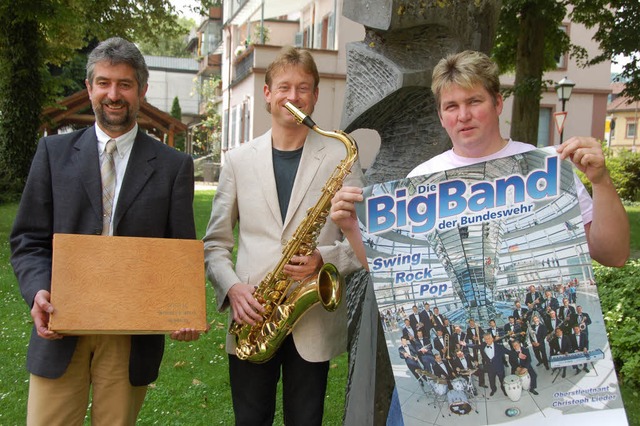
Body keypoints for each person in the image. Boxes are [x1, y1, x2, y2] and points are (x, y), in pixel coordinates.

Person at [9, 37, 201, 425]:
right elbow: (27, 239)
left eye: (124, 84)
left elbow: (178, 252)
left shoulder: (172, 166)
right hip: (63, 322)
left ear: (142, 90)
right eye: (103, 83)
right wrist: (38, 291)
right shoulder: (52, 154)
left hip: (130, 334)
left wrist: (182, 307)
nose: (113, 95)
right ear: (89, 87)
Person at [330, 50, 629, 271]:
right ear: (441, 117)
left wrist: (601, 182)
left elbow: (613, 255)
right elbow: (394, 269)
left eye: (474, 101)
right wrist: (350, 227)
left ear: (497, 103)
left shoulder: (545, 168)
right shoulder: (419, 179)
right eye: (451, 106)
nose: (463, 116)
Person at [202, 46, 364, 426]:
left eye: (303, 88)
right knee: (250, 419)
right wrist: (232, 290)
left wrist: (325, 258)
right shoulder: (238, 160)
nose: (293, 97)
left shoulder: (341, 157)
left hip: (312, 322)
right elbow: (216, 244)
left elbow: (362, 241)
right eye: (285, 87)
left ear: (315, 96)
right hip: (253, 315)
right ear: (268, 94)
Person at [480, 333, 508, 397]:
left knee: (502, 380)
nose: (487, 340)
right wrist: (465, 344)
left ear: (492, 338)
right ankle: (493, 390)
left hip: (499, 368)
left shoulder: (499, 347)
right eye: (485, 339)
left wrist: (518, 354)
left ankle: (504, 390)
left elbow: (509, 352)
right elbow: (474, 346)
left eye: (489, 338)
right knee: (491, 381)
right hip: (490, 369)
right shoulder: (483, 345)